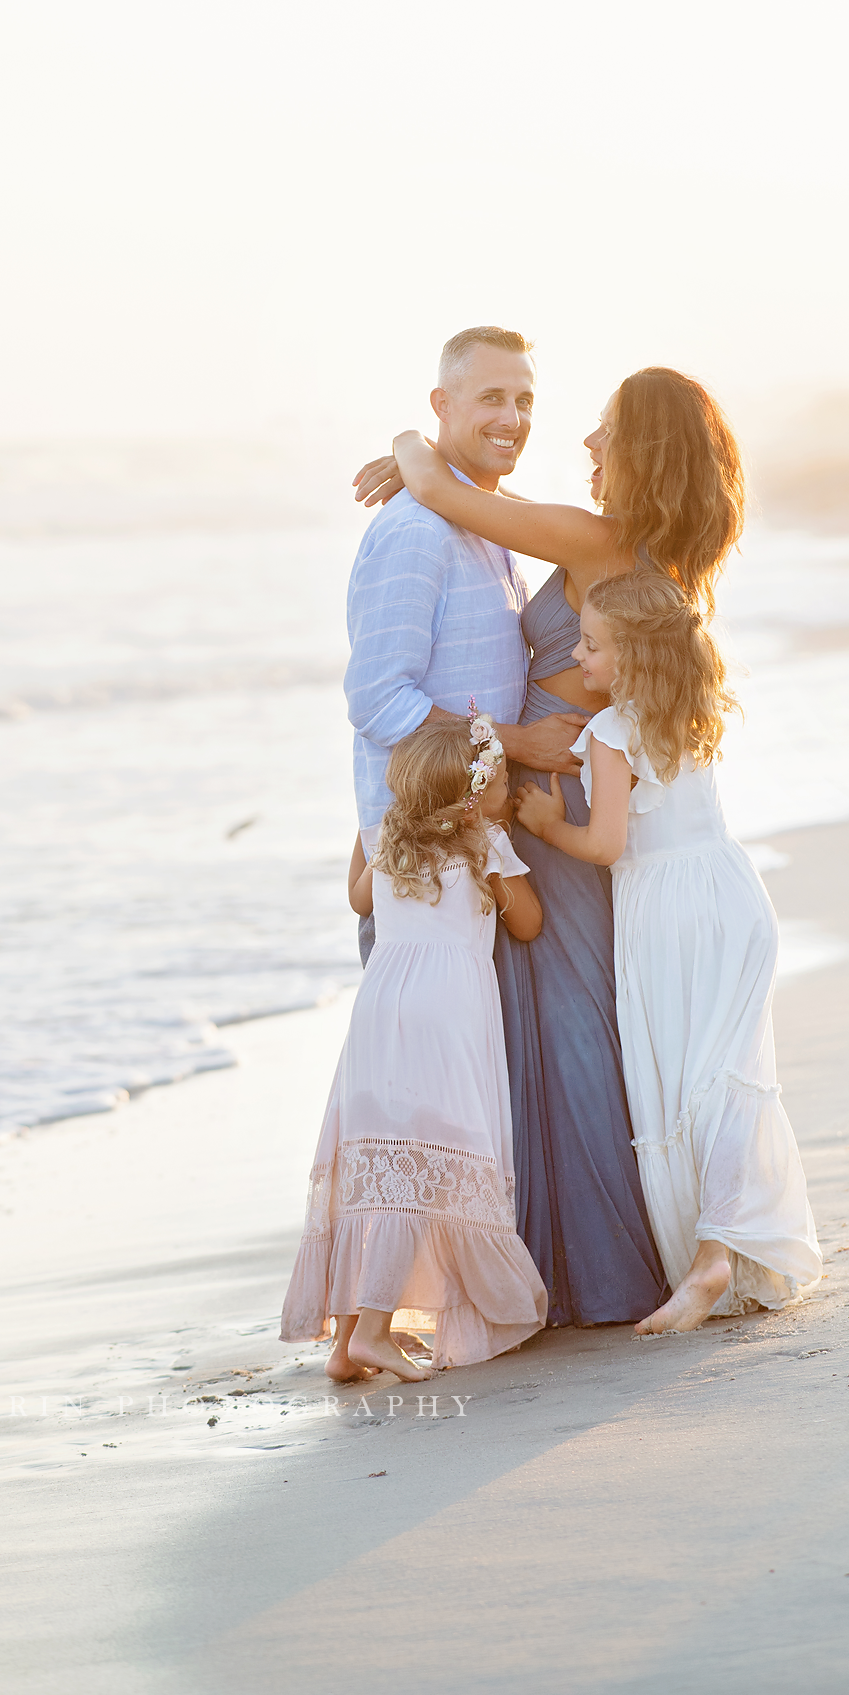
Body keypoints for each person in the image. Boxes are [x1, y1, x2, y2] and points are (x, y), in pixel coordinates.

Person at [356, 367, 742, 1328]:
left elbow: (453, 496)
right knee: (565, 1005)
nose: (585, 443)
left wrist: (416, 451)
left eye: (605, 430)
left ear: (639, 450)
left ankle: (588, 1267)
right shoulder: (655, 547)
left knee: (564, 1009)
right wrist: (446, 476)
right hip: (559, 778)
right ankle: (576, 1260)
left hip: (548, 782)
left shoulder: (598, 538)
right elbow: (505, 506)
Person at [343, 326, 592, 1284]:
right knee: (410, 1114)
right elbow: (380, 702)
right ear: (441, 406)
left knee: (466, 1105)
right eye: (491, 397)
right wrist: (513, 745)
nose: (513, 418)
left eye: (526, 400)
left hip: (478, 862)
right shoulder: (412, 530)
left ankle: (459, 1290)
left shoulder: (479, 525)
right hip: (424, 863)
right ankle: (389, 1303)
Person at [514, 570, 822, 1330]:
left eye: (590, 646)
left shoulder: (610, 733)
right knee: (731, 1076)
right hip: (732, 897)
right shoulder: (696, 709)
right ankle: (722, 1248)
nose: (578, 659)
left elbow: (606, 842)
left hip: (662, 913)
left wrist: (547, 824)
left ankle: (711, 1258)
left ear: (631, 658)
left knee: (686, 1083)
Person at [280, 713, 549, 1377]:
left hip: (380, 1011)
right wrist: (509, 847)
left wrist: (368, 836)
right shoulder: (485, 847)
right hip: (448, 1012)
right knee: (426, 1167)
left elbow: (357, 901)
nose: (508, 787)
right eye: (501, 778)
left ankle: (347, 1342)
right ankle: (374, 1330)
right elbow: (530, 924)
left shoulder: (381, 840)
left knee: (379, 1162)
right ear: (472, 795)